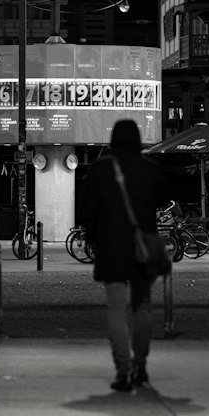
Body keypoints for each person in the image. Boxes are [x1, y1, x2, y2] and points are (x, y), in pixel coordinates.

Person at [79, 118, 174, 392]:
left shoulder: (100, 170)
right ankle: (141, 365)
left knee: (116, 308)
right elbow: (163, 198)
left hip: (111, 248)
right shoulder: (150, 169)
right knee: (142, 306)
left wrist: (97, 235)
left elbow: (87, 210)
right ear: (137, 138)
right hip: (142, 246)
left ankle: (122, 368)